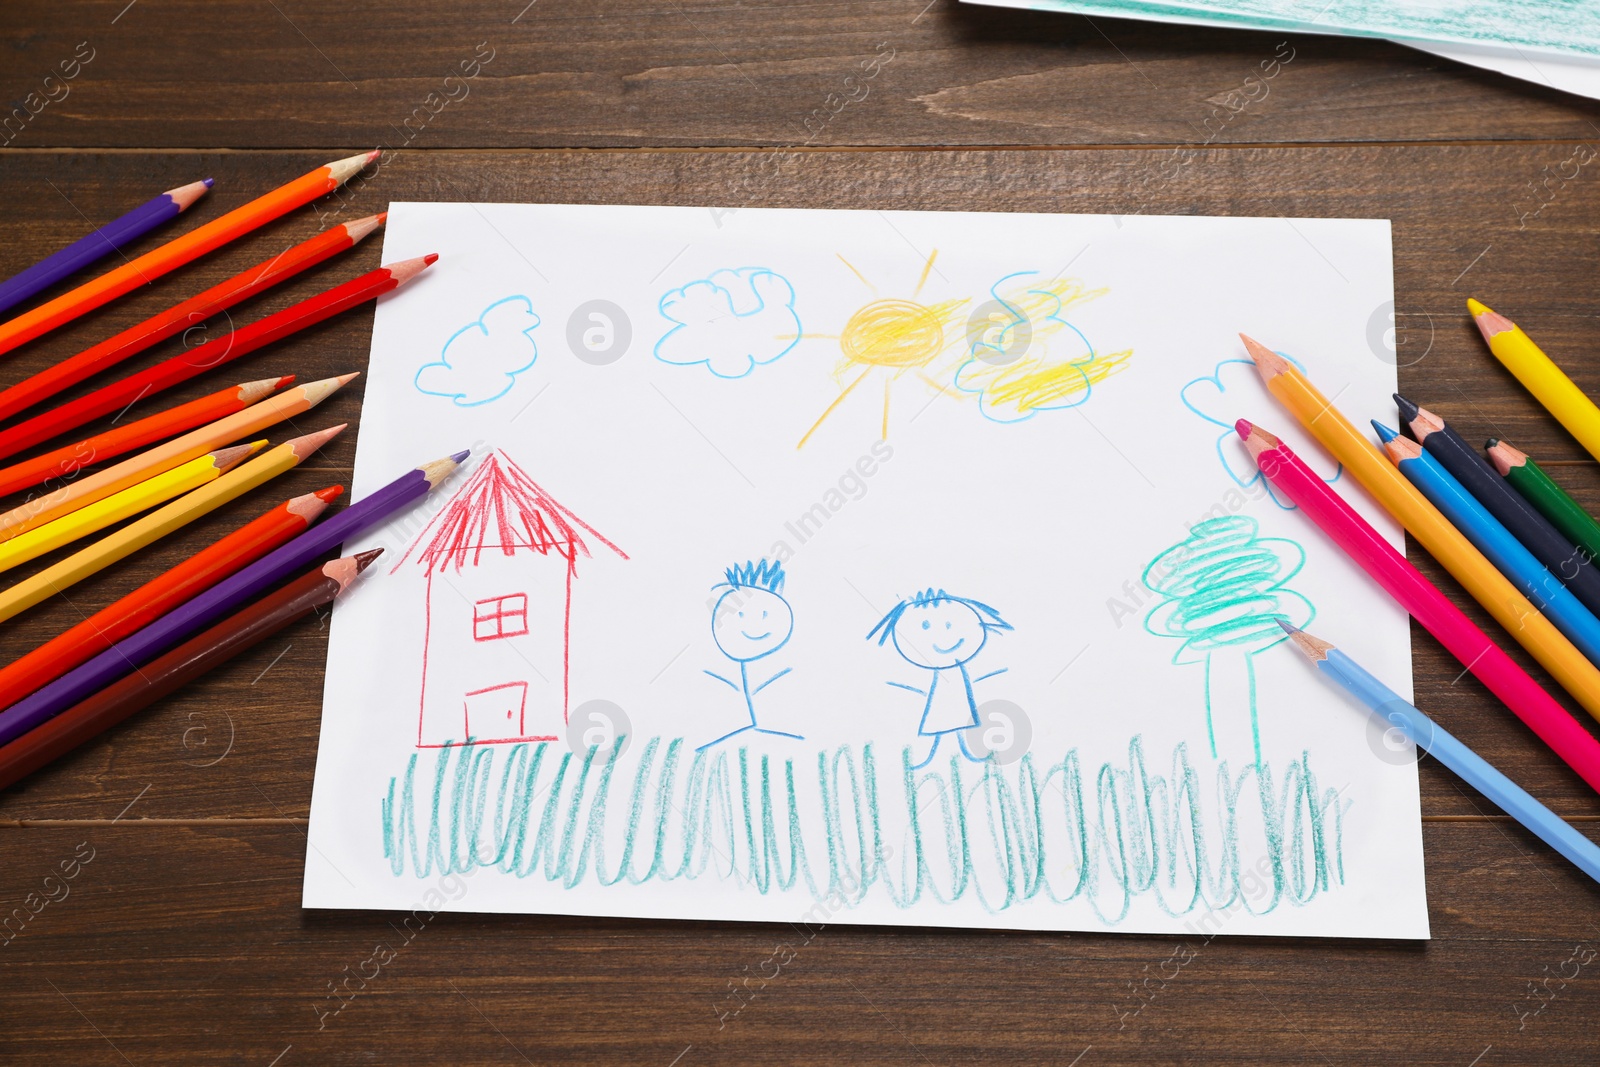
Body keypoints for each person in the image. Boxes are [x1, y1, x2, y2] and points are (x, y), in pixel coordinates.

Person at [867, 588, 1011, 769]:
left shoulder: (958, 670)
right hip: (944, 692)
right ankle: (932, 756)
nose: (943, 635)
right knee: (943, 720)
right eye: (926, 626)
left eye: (950, 624)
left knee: (958, 720)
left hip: (955, 689)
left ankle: (964, 753)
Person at [699, 559, 804, 750]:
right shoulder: (715, 680)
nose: (753, 627)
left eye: (764, 615)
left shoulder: (788, 677)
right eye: (740, 615)